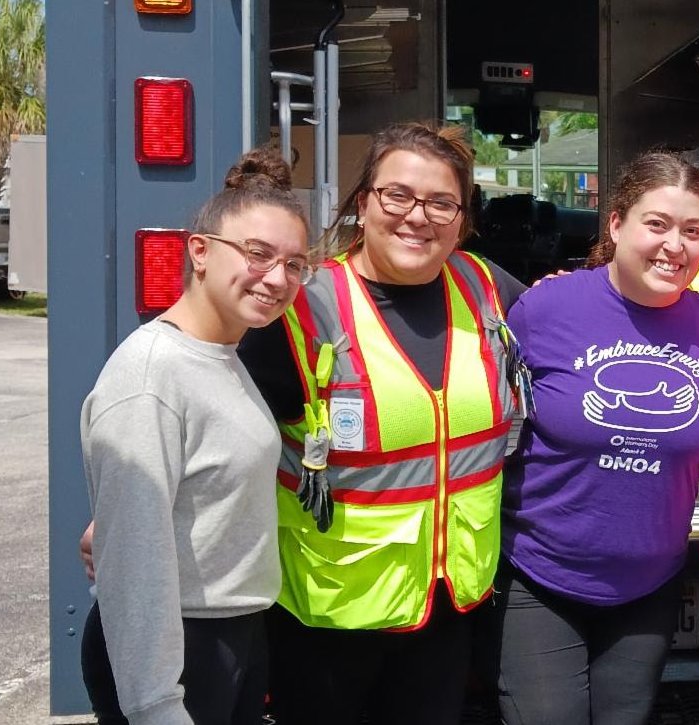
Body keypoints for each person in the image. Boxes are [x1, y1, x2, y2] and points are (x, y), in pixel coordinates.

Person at [236, 122, 527, 725]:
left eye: (441, 203)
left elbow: (579, 330)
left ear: (462, 219)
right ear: (364, 202)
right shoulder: (303, 305)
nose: (418, 216)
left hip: (445, 611)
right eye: (398, 195)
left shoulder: (487, 289)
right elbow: (217, 428)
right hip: (328, 621)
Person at [494, 152, 699, 724]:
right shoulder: (546, 307)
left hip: (649, 586)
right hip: (539, 578)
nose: (674, 246)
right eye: (657, 224)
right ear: (616, 225)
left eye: (692, 231)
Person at [80, 147, 311, 725]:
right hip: (176, 649)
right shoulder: (152, 374)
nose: (277, 278)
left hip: (233, 633)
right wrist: (156, 704)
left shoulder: (224, 357)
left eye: (295, 264)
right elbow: (134, 559)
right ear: (200, 251)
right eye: (258, 254)